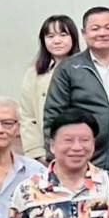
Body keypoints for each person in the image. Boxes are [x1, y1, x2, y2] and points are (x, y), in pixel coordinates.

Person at [42, 6, 109, 172]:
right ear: (84, 33)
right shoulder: (69, 68)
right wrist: (54, 158)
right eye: (95, 28)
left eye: (108, 27)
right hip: (82, 162)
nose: (102, 33)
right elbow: (53, 116)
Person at [18, 15, 80, 161]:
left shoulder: (84, 69)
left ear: (74, 38)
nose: (57, 41)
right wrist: (36, 152)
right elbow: (27, 116)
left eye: (63, 35)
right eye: (50, 36)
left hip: (80, 147)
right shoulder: (34, 73)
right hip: (46, 152)